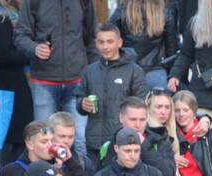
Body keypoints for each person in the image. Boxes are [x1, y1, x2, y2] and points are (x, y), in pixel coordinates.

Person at [14, 0, 97, 157]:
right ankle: (48, 172)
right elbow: (20, 36)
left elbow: (92, 36)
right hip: (44, 81)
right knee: (45, 140)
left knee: (79, 139)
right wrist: (35, 48)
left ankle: (79, 172)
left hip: (77, 81)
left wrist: (93, 75)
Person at [77, 23, 150, 160]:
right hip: (94, 144)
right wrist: (82, 104)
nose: (105, 46)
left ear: (120, 42)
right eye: (101, 42)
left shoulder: (135, 71)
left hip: (122, 145)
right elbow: (79, 98)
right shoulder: (89, 71)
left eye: (110, 41)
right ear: (96, 43)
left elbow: (142, 105)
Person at [0, 0, 36, 167]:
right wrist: (31, 54)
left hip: (15, 89)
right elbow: (2, 54)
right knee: (14, 140)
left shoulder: (14, 19)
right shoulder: (2, 20)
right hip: (10, 91)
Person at [168, 0, 212, 130]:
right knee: (201, 134)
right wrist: (175, 75)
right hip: (203, 88)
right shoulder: (195, 24)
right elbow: (186, 54)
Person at [110, 0, 178, 90]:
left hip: (128, 71)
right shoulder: (165, 14)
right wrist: (172, 76)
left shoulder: (121, 12)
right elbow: (172, 51)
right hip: (156, 71)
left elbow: (109, 41)